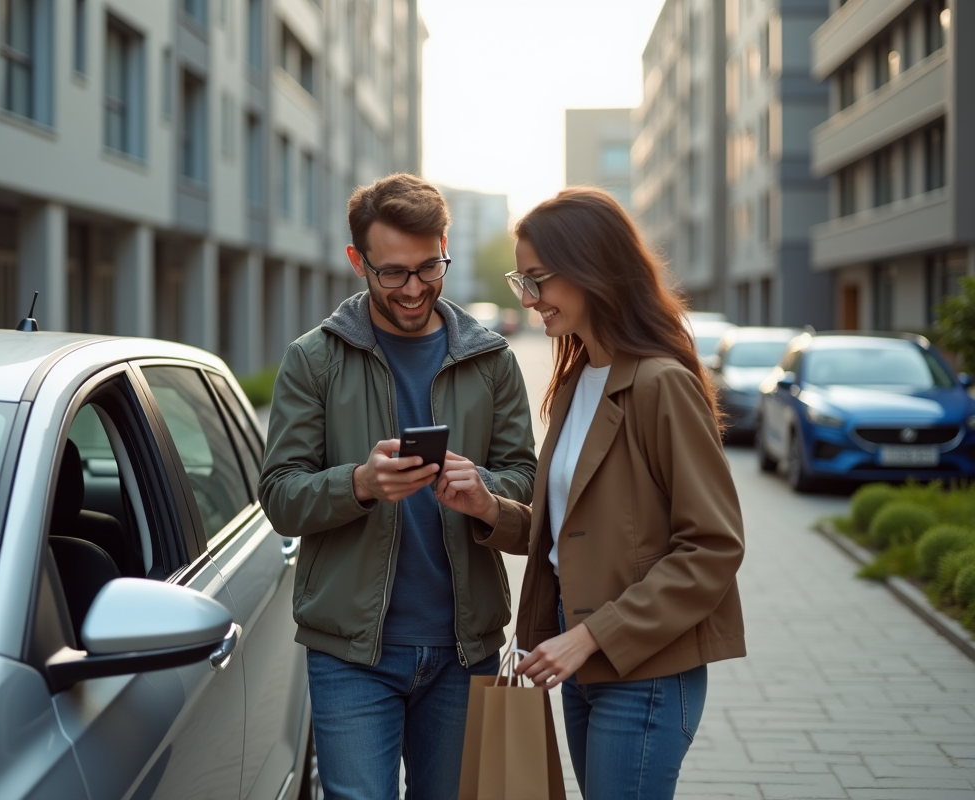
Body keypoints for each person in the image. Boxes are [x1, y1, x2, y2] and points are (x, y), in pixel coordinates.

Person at [436, 186, 746, 800]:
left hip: (647, 668)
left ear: (591, 269)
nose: (528, 299)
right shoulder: (579, 377)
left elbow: (712, 547)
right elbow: (575, 531)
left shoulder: (660, 383)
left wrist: (592, 635)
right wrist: (486, 508)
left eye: (538, 279)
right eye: (520, 279)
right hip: (578, 658)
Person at [258, 172, 537, 800]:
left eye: (427, 268)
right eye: (392, 273)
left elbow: (530, 492)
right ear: (358, 260)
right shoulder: (314, 359)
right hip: (352, 654)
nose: (413, 289)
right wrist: (358, 483)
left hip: (464, 650)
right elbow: (278, 495)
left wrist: (485, 496)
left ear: (445, 245)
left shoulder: (491, 360)